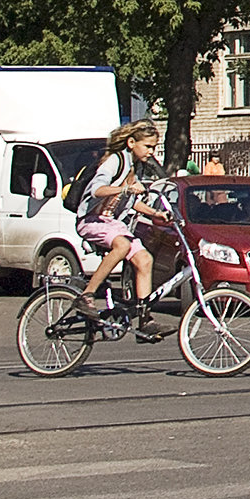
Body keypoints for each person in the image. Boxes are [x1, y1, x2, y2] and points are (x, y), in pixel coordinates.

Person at [73, 120, 176, 341]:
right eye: (148, 146)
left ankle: (145, 319)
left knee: (144, 259)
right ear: (131, 142)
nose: (151, 152)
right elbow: (97, 190)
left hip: (112, 223)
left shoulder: (133, 166)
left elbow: (130, 202)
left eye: (154, 147)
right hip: (91, 220)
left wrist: (154, 213)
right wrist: (126, 187)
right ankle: (87, 295)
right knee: (123, 244)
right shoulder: (115, 161)